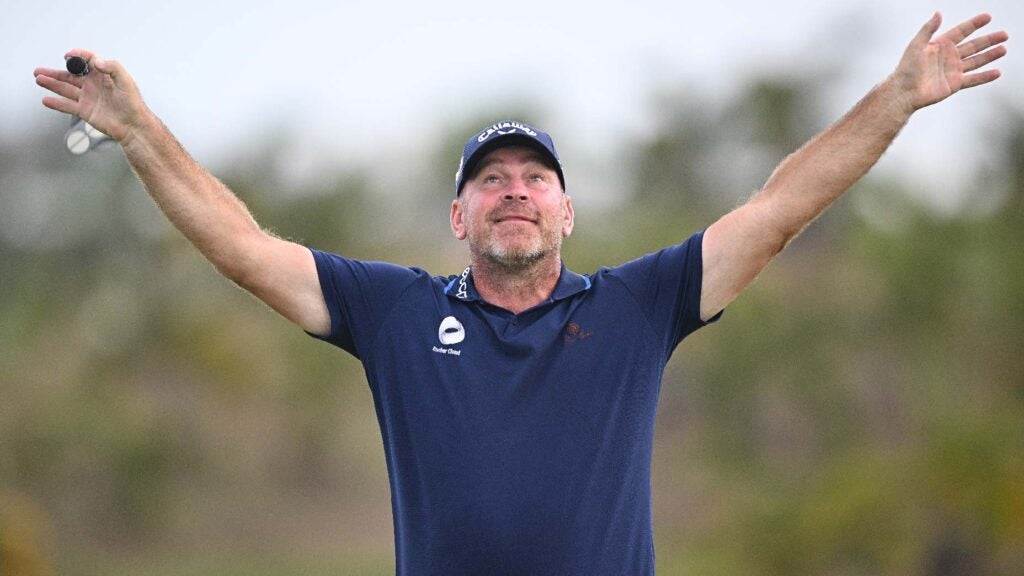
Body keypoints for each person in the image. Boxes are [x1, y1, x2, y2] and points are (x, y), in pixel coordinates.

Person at [33, 11, 1007, 575]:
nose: (513, 191)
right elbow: (243, 249)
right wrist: (140, 132)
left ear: (566, 210)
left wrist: (895, 99)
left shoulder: (635, 305)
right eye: (489, 179)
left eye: (533, 177)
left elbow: (778, 208)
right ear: (457, 217)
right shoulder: (397, 313)